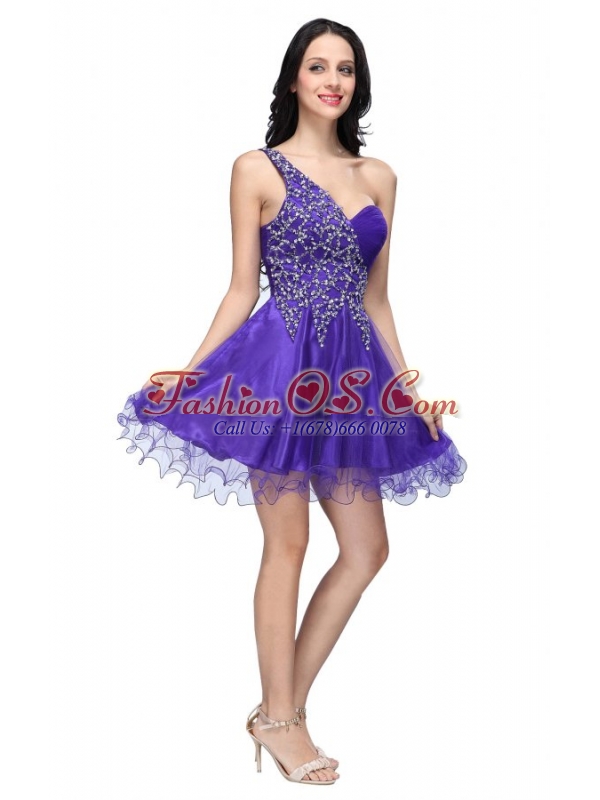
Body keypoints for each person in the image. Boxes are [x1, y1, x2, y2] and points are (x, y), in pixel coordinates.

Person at [116, 17, 467, 785]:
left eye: (346, 68)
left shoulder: (380, 178)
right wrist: (191, 373)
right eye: (318, 66)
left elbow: (377, 300)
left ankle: (279, 712)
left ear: (356, 82)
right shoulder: (256, 168)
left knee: (367, 551)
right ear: (294, 78)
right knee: (289, 544)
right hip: (279, 372)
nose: (332, 80)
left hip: (352, 381)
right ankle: (282, 720)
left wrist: (405, 388)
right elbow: (242, 288)